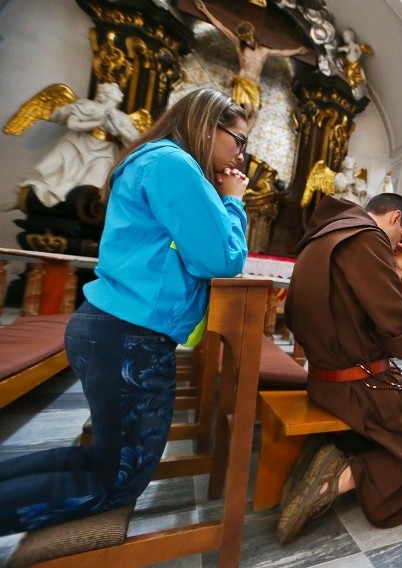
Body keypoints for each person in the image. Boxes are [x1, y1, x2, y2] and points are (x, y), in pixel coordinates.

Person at [0, 88, 250, 535]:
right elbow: (220, 259)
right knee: (116, 481)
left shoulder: (155, 159)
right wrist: (233, 199)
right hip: (129, 337)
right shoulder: (175, 165)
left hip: (116, 330)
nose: (242, 154)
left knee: (104, 461)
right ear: (208, 126)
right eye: (239, 139)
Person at [279, 193, 402, 543]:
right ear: (397, 219)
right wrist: (399, 269)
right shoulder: (367, 238)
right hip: (356, 385)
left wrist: (395, 269)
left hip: (322, 378)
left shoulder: (323, 233)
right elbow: (398, 339)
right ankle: (341, 476)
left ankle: (334, 454)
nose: (397, 245)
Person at [19, 82, 141, 208]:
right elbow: (73, 124)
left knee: (95, 185)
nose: (120, 92)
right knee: (51, 169)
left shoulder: (122, 118)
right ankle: (32, 194)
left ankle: (81, 207)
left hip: (106, 151)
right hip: (79, 142)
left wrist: (117, 126)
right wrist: (99, 121)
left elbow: (135, 141)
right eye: (116, 90)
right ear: (106, 94)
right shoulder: (88, 106)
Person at [194, 0, 308, 130]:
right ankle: (231, 133)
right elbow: (221, 27)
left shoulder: (263, 51)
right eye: (245, 39)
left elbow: (282, 52)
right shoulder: (240, 47)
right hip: (243, 82)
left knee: (254, 113)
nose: (248, 41)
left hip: (255, 86)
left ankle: (242, 138)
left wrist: (297, 50)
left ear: (252, 36)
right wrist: (205, 10)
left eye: (249, 38)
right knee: (245, 110)